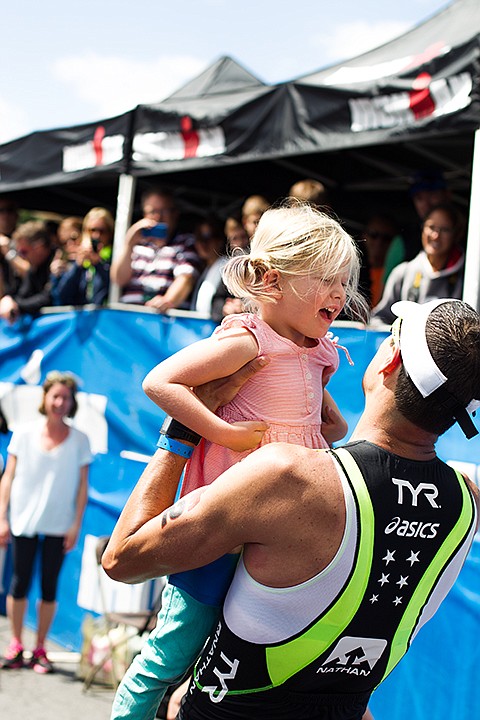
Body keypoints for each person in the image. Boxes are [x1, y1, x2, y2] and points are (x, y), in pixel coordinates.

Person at [103, 297, 480, 720]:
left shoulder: (287, 476)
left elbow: (122, 558)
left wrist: (185, 426)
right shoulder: (466, 505)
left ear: (389, 359)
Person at [108, 202, 366, 720]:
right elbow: (161, 381)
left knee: (229, 656)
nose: (340, 295)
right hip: (222, 522)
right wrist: (223, 431)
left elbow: (328, 422)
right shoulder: (247, 340)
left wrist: (319, 433)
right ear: (272, 281)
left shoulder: (320, 352)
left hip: (280, 528)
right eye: (325, 281)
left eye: (344, 282)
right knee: (172, 651)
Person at [0, 371, 92, 673]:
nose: (60, 402)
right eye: (55, 396)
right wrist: (2, 517)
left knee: (49, 587)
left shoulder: (80, 440)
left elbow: (82, 487)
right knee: (19, 583)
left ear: (71, 402)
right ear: (45, 398)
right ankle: (16, 645)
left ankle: (40, 648)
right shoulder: (24, 434)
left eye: (66, 397)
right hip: (23, 521)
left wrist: (75, 525)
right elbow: (8, 478)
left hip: (59, 525)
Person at [371, 203, 465, 325]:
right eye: (431, 227)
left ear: (456, 235)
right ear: (422, 229)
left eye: (445, 230)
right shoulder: (403, 273)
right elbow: (381, 318)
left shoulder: (467, 277)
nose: (436, 236)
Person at [110, 188, 202, 312]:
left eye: (164, 211)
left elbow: (186, 278)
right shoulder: (137, 244)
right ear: (144, 215)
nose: (158, 217)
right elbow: (118, 279)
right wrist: (129, 243)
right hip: (130, 319)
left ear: (175, 214)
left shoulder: (186, 242)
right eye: (153, 211)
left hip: (162, 321)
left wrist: (167, 301)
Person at [51, 207, 114, 306]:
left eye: (102, 231)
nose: (96, 236)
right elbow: (62, 295)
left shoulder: (115, 256)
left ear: (110, 232)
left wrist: (98, 264)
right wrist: (78, 265)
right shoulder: (78, 258)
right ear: (85, 231)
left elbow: (114, 287)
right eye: (92, 230)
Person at [0, 221, 55, 323]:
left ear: (40, 247)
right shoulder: (34, 266)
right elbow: (24, 294)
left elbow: (48, 298)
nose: (21, 257)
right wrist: (9, 300)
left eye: (23, 252)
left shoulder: (57, 262)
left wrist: (17, 306)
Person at [189, 216, 228, 322]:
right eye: (198, 238)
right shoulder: (201, 269)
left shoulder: (228, 269)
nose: (203, 244)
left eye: (208, 237)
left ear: (220, 240)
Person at [361, 213, 397, 307]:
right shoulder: (351, 272)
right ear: (364, 236)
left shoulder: (396, 276)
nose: (379, 242)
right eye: (374, 235)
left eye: (386, 238)